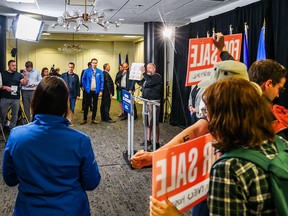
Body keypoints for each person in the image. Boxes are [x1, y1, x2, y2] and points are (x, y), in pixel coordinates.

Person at [150, 78, 279, 215]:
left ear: (223, 117)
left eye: (207, 111)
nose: (206, 117)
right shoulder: (278, 142)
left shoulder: (228, 169)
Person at [2, 76, 101, 215]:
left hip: (28, 210)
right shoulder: (80, 141)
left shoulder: (16, 136)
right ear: (64, 104)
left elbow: (10, 179)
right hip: (71, 210)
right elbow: (91, 183)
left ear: (36, 101)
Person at [140, 63, 162, 150]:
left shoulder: (157, 76)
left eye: (150, 68)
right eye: (147, 68)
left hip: (153, 103)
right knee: (147, 122)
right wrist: (135, 76)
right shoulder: (147, 77)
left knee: (154, 122)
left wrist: (144, 73)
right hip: (146, 102)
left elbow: (150, 83)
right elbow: (141, 84)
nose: (148, 69)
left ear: (154, 68)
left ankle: (156, 142)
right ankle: (148, 139)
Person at [0, 60, 28, 130]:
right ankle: (1, 129)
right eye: (13, 65)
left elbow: (25, 83)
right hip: (5, 97)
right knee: (2, 114)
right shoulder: (3, 74)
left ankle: (12, 128)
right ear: (8, 66)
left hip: (16, 98)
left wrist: (25, 76)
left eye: (15, 65)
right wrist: (5, 87)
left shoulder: (18, 75)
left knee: (15, 115)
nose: (15, 67)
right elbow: (0, 86)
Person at [81, 58, 104, 125]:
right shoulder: (87, 71)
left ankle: (93, 119)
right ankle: (84, 119)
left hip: (96, 91)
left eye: (95, 63)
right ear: (91, 63)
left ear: (97, 63)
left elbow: (102, 81)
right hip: (88, 91)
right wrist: (85, 87)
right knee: (86, 105)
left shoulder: (100, 72)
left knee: (95, 105)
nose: (94, 64)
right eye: (93, 63)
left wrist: (101, 90)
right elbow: (83, 79)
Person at [60, 62, 80, 126]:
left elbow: (78, 86)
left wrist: (78, 95)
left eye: (72, 67)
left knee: (72, 108)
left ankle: (70, 121)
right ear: (68, 67)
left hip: (73, 95)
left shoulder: (76, 76)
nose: (70, 68)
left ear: (73, 68)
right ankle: (63, 120)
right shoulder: (63, 75)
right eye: (69, 67)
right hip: (65, 95)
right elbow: (60, 84)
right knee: (64, 108)